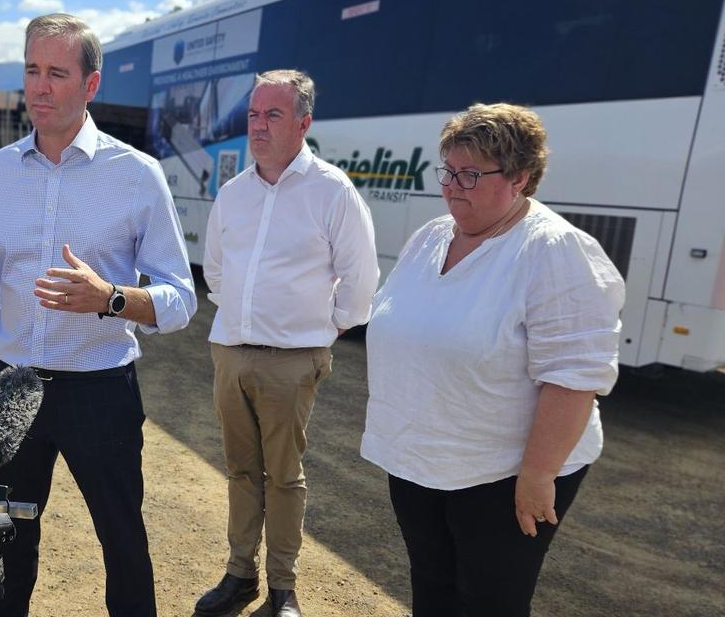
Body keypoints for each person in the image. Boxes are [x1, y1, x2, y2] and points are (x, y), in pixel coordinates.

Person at [0, 13, 196, 617]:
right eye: (32, 70)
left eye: (57, 72)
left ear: (91, 84)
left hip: (100, 389)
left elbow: (181, 298)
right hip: (13, 387)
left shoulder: (136, 174)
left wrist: (109, 297)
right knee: (4, 543)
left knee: (122, 541)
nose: (40, 87)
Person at [360, 103, 625, 616]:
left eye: (471, 174)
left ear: (521, 177)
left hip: (504, 476)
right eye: (448, 171)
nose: (452, 185)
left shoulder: (556, 251)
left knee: (489, 601)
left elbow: (573, 378)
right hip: (421, 460)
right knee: (432, 588)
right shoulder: (431, 236)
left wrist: (537, 475)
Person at [196, 70, 378, 617]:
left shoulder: (331, 190)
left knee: (283, 476)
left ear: (304, 123)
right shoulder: (233, 192)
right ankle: (239, 575)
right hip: (231, 351)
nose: (259, 125)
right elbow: (217, 271)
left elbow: (361, 276)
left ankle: (283, 587)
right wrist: (245, 322)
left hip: (292, 362)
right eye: (253, 114)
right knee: (241, 471)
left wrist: (328, 327)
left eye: (273, 115)